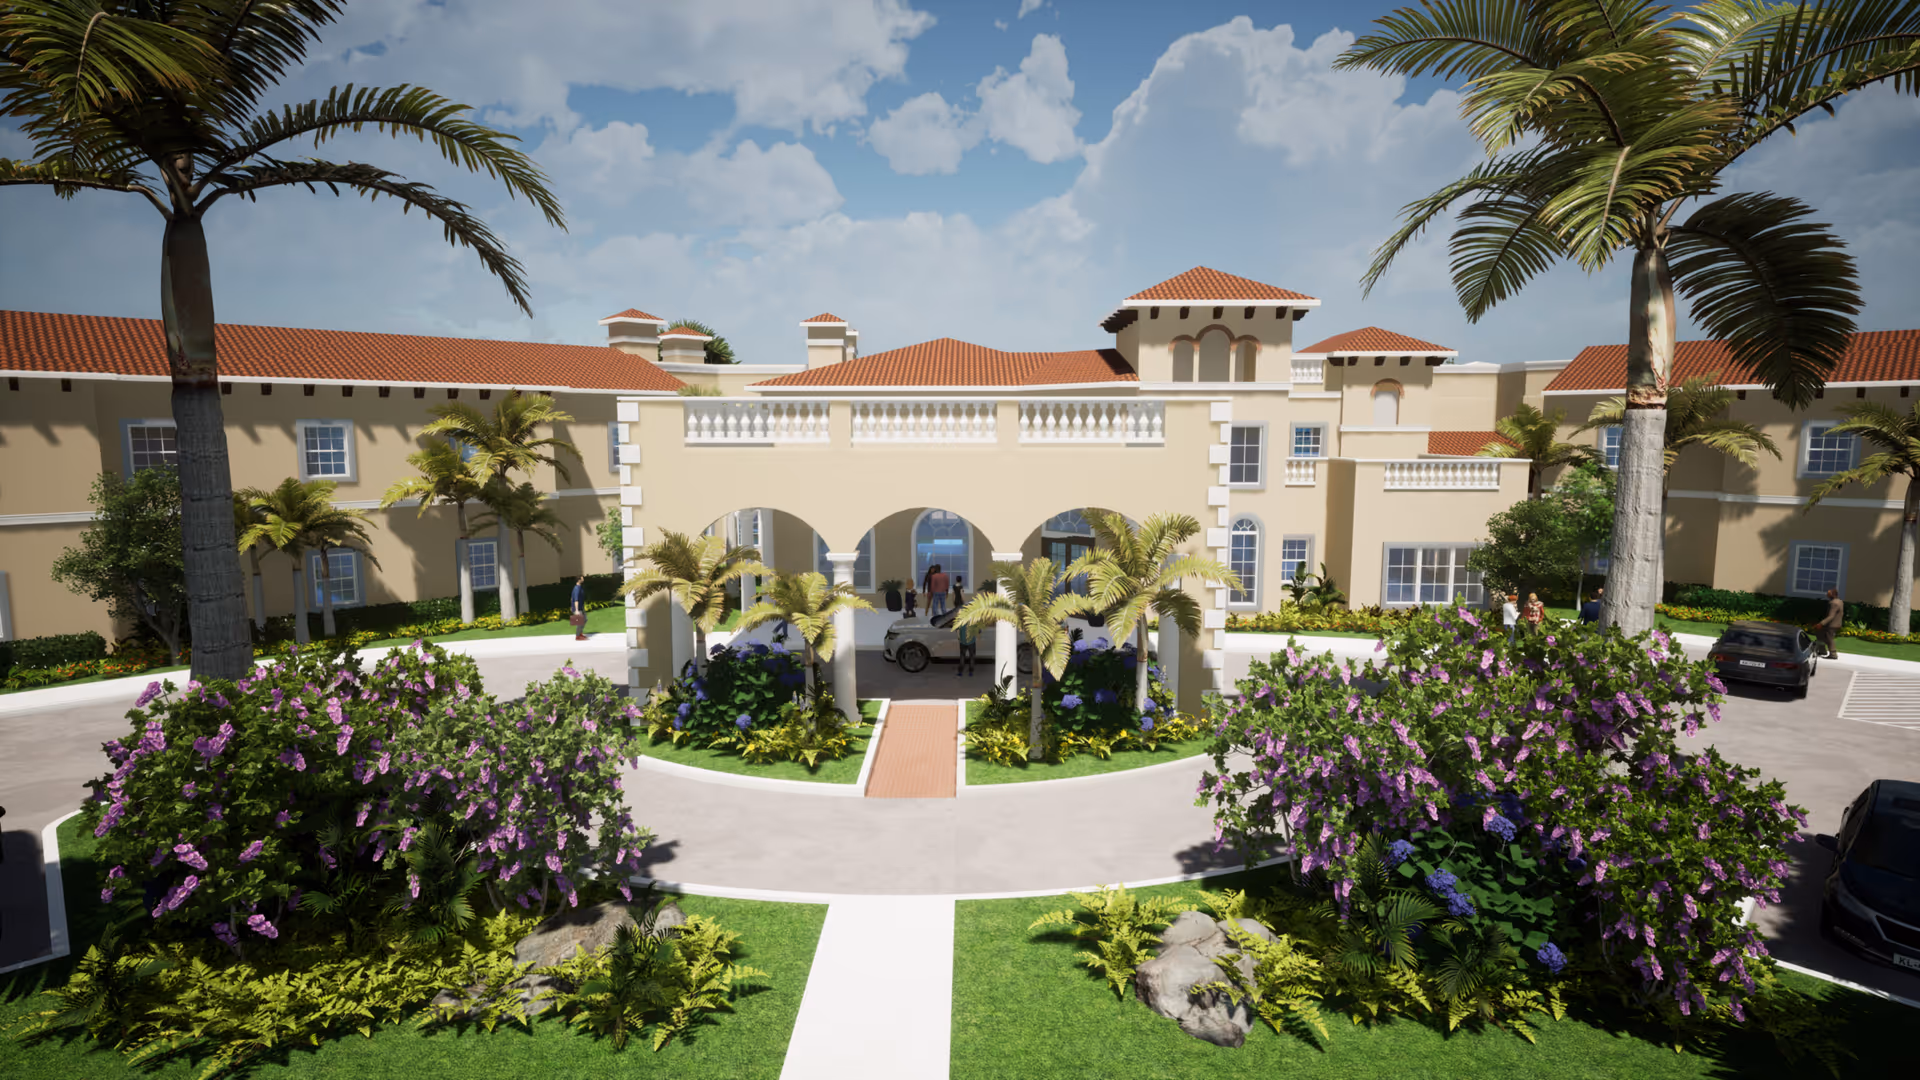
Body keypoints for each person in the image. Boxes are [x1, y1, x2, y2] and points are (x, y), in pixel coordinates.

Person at [1817, 587, 1844, 659]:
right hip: (1836, 623)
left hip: (1832, 624)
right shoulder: (1840, 601)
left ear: (1832, 594)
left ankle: (1833, 654)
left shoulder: (1834, 603)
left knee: (1829, 638)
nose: (1827, 595)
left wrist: (1821, 623)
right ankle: (1822, 650)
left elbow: (1831, 616)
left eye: (1828, 593)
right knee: (1820, 635)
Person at [570, 574, 588, 641]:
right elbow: (576, 599)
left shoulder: (579, 587)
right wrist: (576, 610)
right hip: (578, 608)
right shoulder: (577, 588)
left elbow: (571, 598)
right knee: (579, 621)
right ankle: (578, 636)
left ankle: (580, 633)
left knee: (585, 619)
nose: (583, 579)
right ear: (579, 580)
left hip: (581, 607)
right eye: (582, 578)